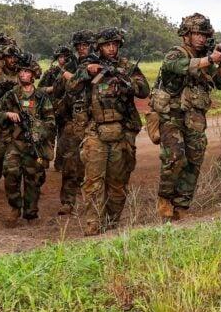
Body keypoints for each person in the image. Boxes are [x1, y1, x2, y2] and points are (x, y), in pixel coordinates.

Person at [152, 13, 221, 221]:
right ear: (186, 35)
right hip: (171, 116)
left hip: (195, 119)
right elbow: (179, 66)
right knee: (175, 157)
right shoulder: (176, 53)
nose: (200, 38)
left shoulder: (208, 59)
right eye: (196, 33)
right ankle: (165, 199)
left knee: (194, 160)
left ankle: (181, 206)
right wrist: (209, 59)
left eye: (204, 34)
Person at [69, 27, 150, 235]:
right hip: (95, 132)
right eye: (107, 45)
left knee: (117, 184)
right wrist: (88, 72)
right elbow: (71, 87)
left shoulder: (127, 67)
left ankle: (112, 224)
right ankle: (93, 226)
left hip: (121, 132)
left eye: (114, 44)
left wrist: (126, 82)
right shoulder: (88, 66)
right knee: (93, 182)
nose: (111, 48)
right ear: (99, 47)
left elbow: (144, 90)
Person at [0, 53, 55, 221]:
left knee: (33, 180)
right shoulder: (11, 95)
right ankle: (14, 207)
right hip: (16, 143)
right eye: (21, 72)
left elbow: (50, 122)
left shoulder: (41, 97)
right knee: (10, 174)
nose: (23, 75)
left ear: (33, 75)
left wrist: (38, 130)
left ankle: (30, 211)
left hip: (34, 144)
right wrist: (8, 114)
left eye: (27, 72)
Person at [0, 37, 36, 194]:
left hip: (18, 121)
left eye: (14, 57)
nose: (12, 61)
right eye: (9, 57)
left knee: (22, 153)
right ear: (2, 59)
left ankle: (19, 186)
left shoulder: (23, 73)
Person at [52, 30, 95, 215]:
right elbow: (57, 89)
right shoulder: (69, 65)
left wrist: (74, 77)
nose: (82, 49)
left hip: (94, 120)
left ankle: (92, 202)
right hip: (72, 120)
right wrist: (65, 78)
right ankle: (68, 201)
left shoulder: (98, 63)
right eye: (79, 46)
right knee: (70, 163)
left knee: (92, 163)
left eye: (85, 45)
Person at [39, 45, 75, 170]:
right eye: (60, 57)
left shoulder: (74, 72)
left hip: (67, 110)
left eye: (65, 57)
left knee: (64, 138)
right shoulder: (51, 72)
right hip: (51, 109)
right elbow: (39, 89)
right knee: (48, 136)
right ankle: (45, 161)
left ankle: (59, 164)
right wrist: (52, 89)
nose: (63, 59)